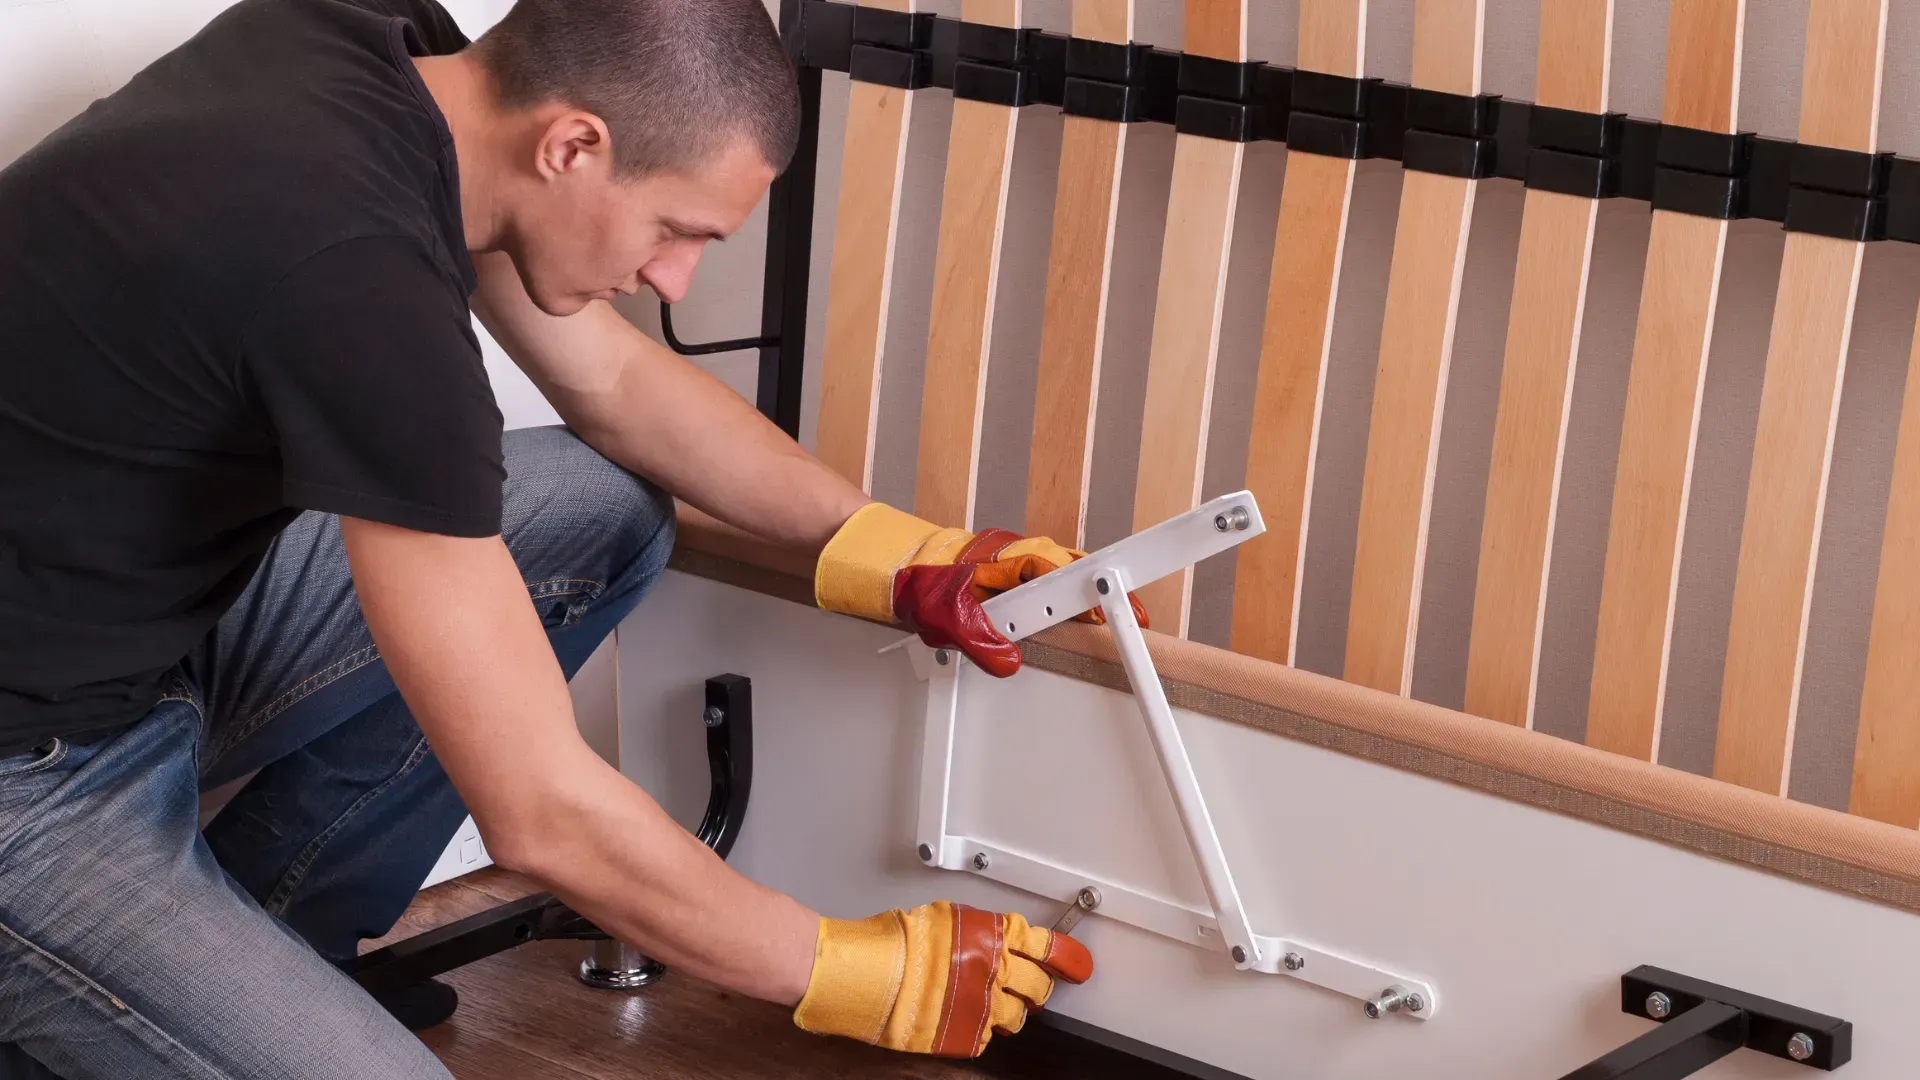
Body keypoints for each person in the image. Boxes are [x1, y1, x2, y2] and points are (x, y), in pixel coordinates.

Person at [0, 0, 1123, 1076]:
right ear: (574, 145)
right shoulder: (350, 277)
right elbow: (537, 813)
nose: (672, 278)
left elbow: (616, 382)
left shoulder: (393, 60)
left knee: (598, 513)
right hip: (23, 775)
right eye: (677, 231)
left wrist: (903, 549)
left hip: (122, 635)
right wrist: (845, 971)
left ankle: (264, 948)